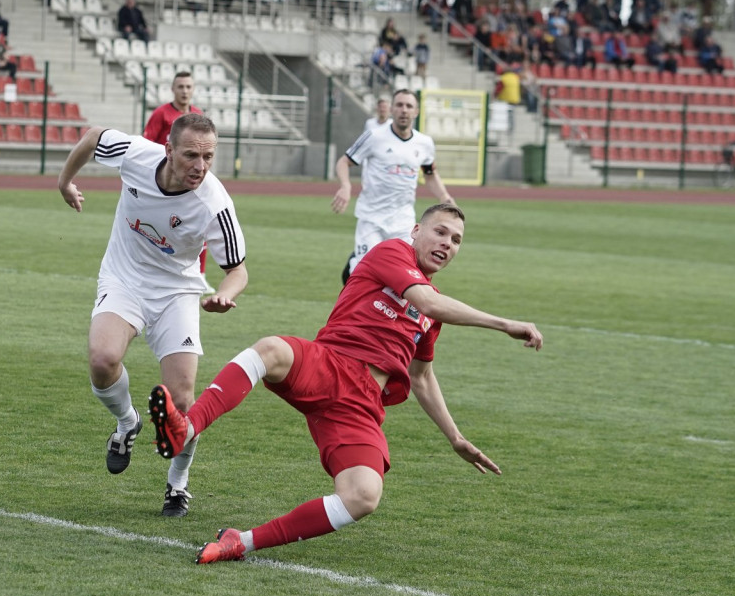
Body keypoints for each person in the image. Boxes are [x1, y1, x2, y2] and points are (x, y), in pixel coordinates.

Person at [148, 202, 543, 564]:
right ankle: (187, 427)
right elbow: (427, 301)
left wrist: (455, 437)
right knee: (269, 350)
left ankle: (241, 541)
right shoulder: (393, 253)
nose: (447, 243)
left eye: (456, 240)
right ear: (416, 230)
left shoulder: (431, 315)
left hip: (360, 404)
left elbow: (422, 377)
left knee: (363, 496)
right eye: (440, 232)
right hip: (329, 364)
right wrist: (505, 323)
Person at [57, 114, 248, 518]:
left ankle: (177, 485)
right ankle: (127, 423)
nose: (200, 166)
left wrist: (224, 296)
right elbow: (93, 138)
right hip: (124, 278)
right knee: (102, 360)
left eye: (209, 156)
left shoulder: (214, 204)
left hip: (178, 292)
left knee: (181, 401)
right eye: (192, 155)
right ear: (169, 150)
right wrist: (64, 181)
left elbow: (238, 270)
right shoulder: (136, 156)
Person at [332, 89, 453, 282]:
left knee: (405, 272)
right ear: (392, 109)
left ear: (416, 111)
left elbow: (430, 174)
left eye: (409, 106)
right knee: (365, 274)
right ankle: (354, 268)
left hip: (403, 220)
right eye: (399, 105)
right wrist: (345, 186)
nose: (404, 110)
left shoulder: (424, 143)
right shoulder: (373, 136)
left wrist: (445, 197)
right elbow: (343, 162)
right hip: (372, 218)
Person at [143, 72, 214, 295]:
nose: (184, 91)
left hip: (189, 185)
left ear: (193, 90)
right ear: (173, 89)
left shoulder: (197, 115)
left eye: (188, 87)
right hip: (165, 184)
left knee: (199, 229)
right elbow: (146, 145)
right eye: (180, 86)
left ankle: (199, 275)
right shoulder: (161, 114)